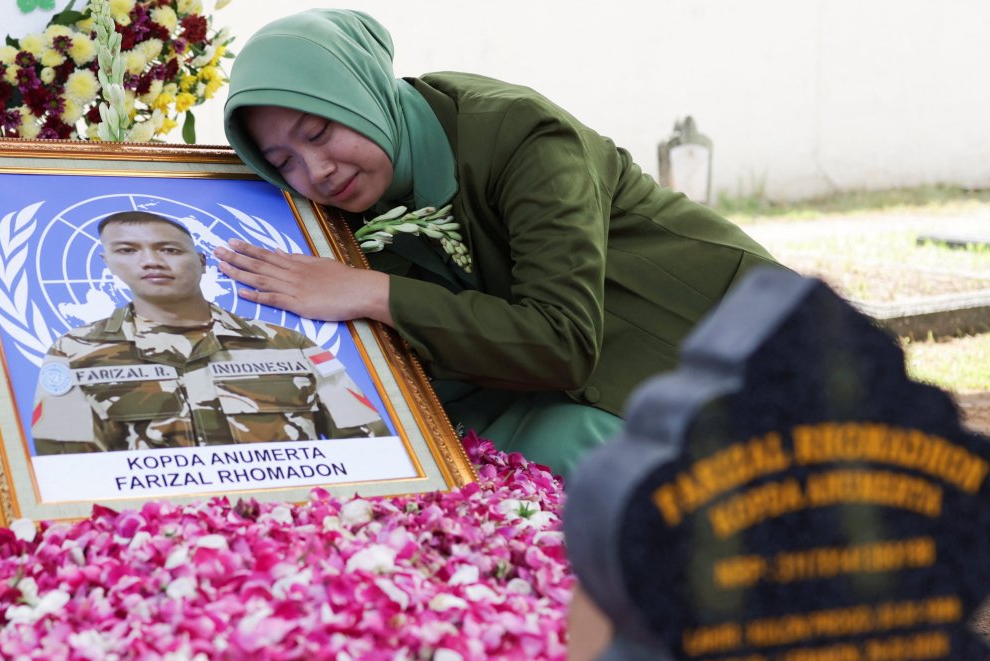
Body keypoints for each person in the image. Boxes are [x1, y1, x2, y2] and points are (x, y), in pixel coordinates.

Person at [214, 9, 785, 478]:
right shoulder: (330, 215)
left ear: (361, 93)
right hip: (558, 385)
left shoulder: (522, 135)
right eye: (283, 161)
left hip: (713, 334)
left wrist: (372, 292)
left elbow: (561, 342)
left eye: (319, 132)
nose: (316, 170)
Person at [31, 210, 389, 455]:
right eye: (127, 250)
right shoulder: (74, 353)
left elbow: (370, 448)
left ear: (202, 263)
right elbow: (67, 469)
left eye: (169, 250)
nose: (151, 261)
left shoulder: (289, 345)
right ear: (107, 262)